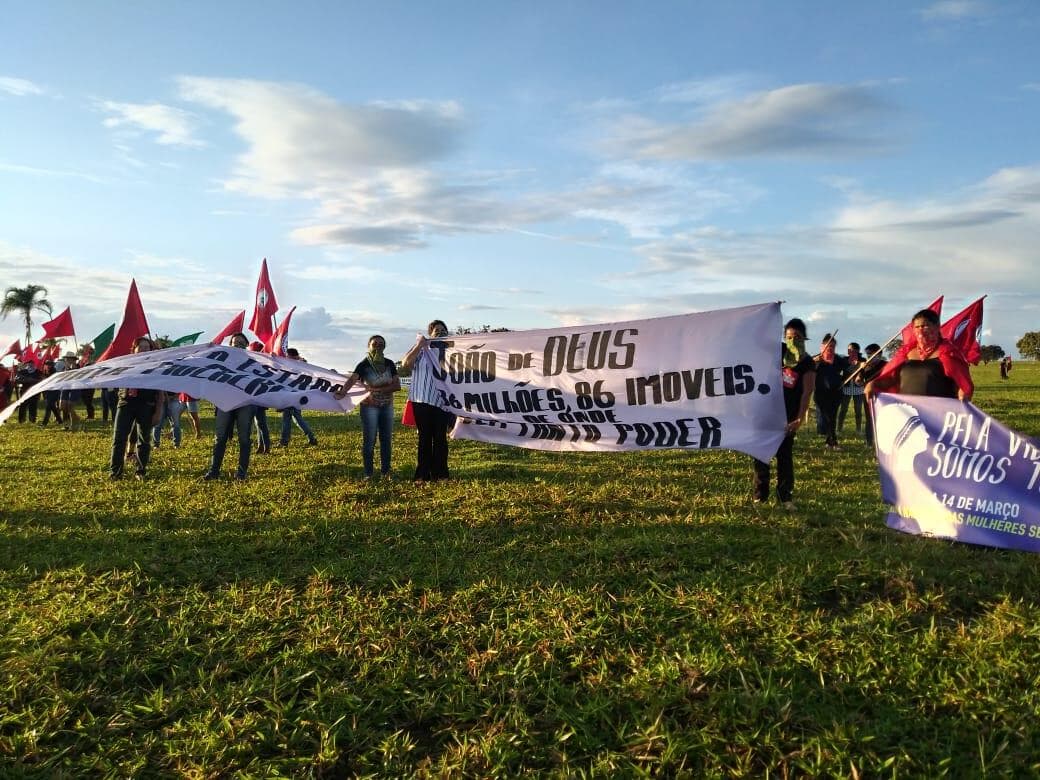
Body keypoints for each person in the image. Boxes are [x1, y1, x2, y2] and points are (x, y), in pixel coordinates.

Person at [752, 317, 816, 510]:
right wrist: (770, 313)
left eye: (796, 336)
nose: (792, 340)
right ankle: (760, 496)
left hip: (787, 416)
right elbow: (756, 339)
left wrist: (799, 417)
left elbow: (807, 392)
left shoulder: (807, 363)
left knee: (784, 456)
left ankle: (785, 496)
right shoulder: (777, 351)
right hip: (766, 411)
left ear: (804, 338)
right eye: (788, 336)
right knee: (761, 455)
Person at [865, 308, 974, 402]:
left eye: (925, 326)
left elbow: (962, 383)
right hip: (908, 413)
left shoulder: (949, 353)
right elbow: (891, 379)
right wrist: (873, 384)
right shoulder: (905, 353)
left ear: (937, 326)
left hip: (938, 414)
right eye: (917, 327)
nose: (920, 330)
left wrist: (963, 394)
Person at [335, 335, 401, 479]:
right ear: (369, 346)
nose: (378, 346)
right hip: (369, 406)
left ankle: (386, 471)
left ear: (384, 346)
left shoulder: (389, 364)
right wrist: (343, 392)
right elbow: (352, 379)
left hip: (387, 406)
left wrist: (377, 390)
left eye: (381, 344)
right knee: (369, 440)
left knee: (386, 440)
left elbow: (397, 386)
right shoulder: (364, 364)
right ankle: (368, 473)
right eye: (374, 343)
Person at [401, 319, 454, 482]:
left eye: (442, 330)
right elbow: (405, 364)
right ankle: (422, 474)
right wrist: (419, 345)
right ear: (430, 333)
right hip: (421, 398)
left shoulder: (452, 351)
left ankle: (441, 474)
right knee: (424, 438)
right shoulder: (421, 350)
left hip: (443, 401)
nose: (439, 332)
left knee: (440, 438)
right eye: (436, 330)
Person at [203, 332, 256, 481]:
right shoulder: (222, 361)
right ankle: (214, 471)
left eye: (241, 343)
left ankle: (241, 473)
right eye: (234, 343)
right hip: (225, 402)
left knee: (244, 438)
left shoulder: (254, 362)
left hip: (245, 403)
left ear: (246, 345)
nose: (237, 345)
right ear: (230, 345)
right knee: (220, 438)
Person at [109, 337, 164, 480]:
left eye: (147, 347)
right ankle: (116, 473)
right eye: (141, 347)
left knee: (144, 440)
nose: (144, 350)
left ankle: (140, 471)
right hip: (125, 404)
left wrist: (158, 412)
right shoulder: (125, 364)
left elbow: (160, 392)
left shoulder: (156, 367)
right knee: (119, 439)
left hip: (145, 405)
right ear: (134, 350)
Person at [813, 334, 847, 450]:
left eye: (833, 346)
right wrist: (814, 363)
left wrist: (860, 365)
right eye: (829, 346)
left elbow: (849, 369)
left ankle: (831, 442)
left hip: (836, 393)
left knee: (832, 418)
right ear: (823, 346)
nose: (831, 348)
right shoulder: (817, 359)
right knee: (827, 418)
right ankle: (832, 441)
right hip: (821, 394)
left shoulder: (838, 359)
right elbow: (806, 370)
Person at [280, 348, 318, 447]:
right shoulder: (302, 365)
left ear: (291, 356)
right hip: (298, 396)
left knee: (288, 420)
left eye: (287, 356)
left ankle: (284, 442)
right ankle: (311, 438)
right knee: (297, 419)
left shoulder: (295, 366)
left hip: (293, 396)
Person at [859, 343, 887, 447]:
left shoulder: (886, 364)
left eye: (871, 354)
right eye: (867, 355)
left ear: (879, 354)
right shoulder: (865, 366)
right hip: (868, 395)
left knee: (882, 417)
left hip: (883, 395)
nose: (869, 357)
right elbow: (858, 381)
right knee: (869, 418)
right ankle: (869, 441)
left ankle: (882, 441)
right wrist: (861, 370)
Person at [838, 342, 866, 434]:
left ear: (857, 351)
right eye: (848, 350)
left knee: (858, 410)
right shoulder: (844, 360)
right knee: (843, 409)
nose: (849, 351)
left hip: (858, 388)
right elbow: (839, 371)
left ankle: (858, 429)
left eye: (852, 350)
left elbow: (864, 372)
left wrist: (861, 369)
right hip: (846, 387)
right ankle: (839, 429)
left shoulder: (863, 360)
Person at [58, 352, 83, 432]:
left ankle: (72, 425)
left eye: (69, 358)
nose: (67, 360)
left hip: (75, 387)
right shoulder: (65, 368)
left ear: (73, 359)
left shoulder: (78, 368)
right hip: (66, 387)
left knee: (70, 406)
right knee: (62, 406)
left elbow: (80, 377)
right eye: (66, 358)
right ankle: (76, 419)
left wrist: (74, 369)